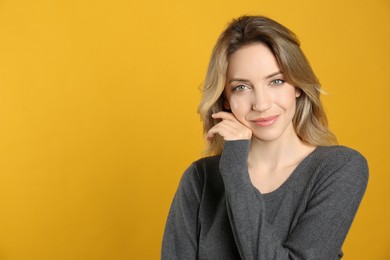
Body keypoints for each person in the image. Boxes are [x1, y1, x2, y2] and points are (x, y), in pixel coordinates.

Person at [161, 15, 368, 260]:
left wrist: (235, 171)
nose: (261, 104)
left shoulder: (340, 168)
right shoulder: (200, 178)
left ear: (298, 85)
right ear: (225, 98)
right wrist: (234, 161)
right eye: (241, 87)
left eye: (276, 81)